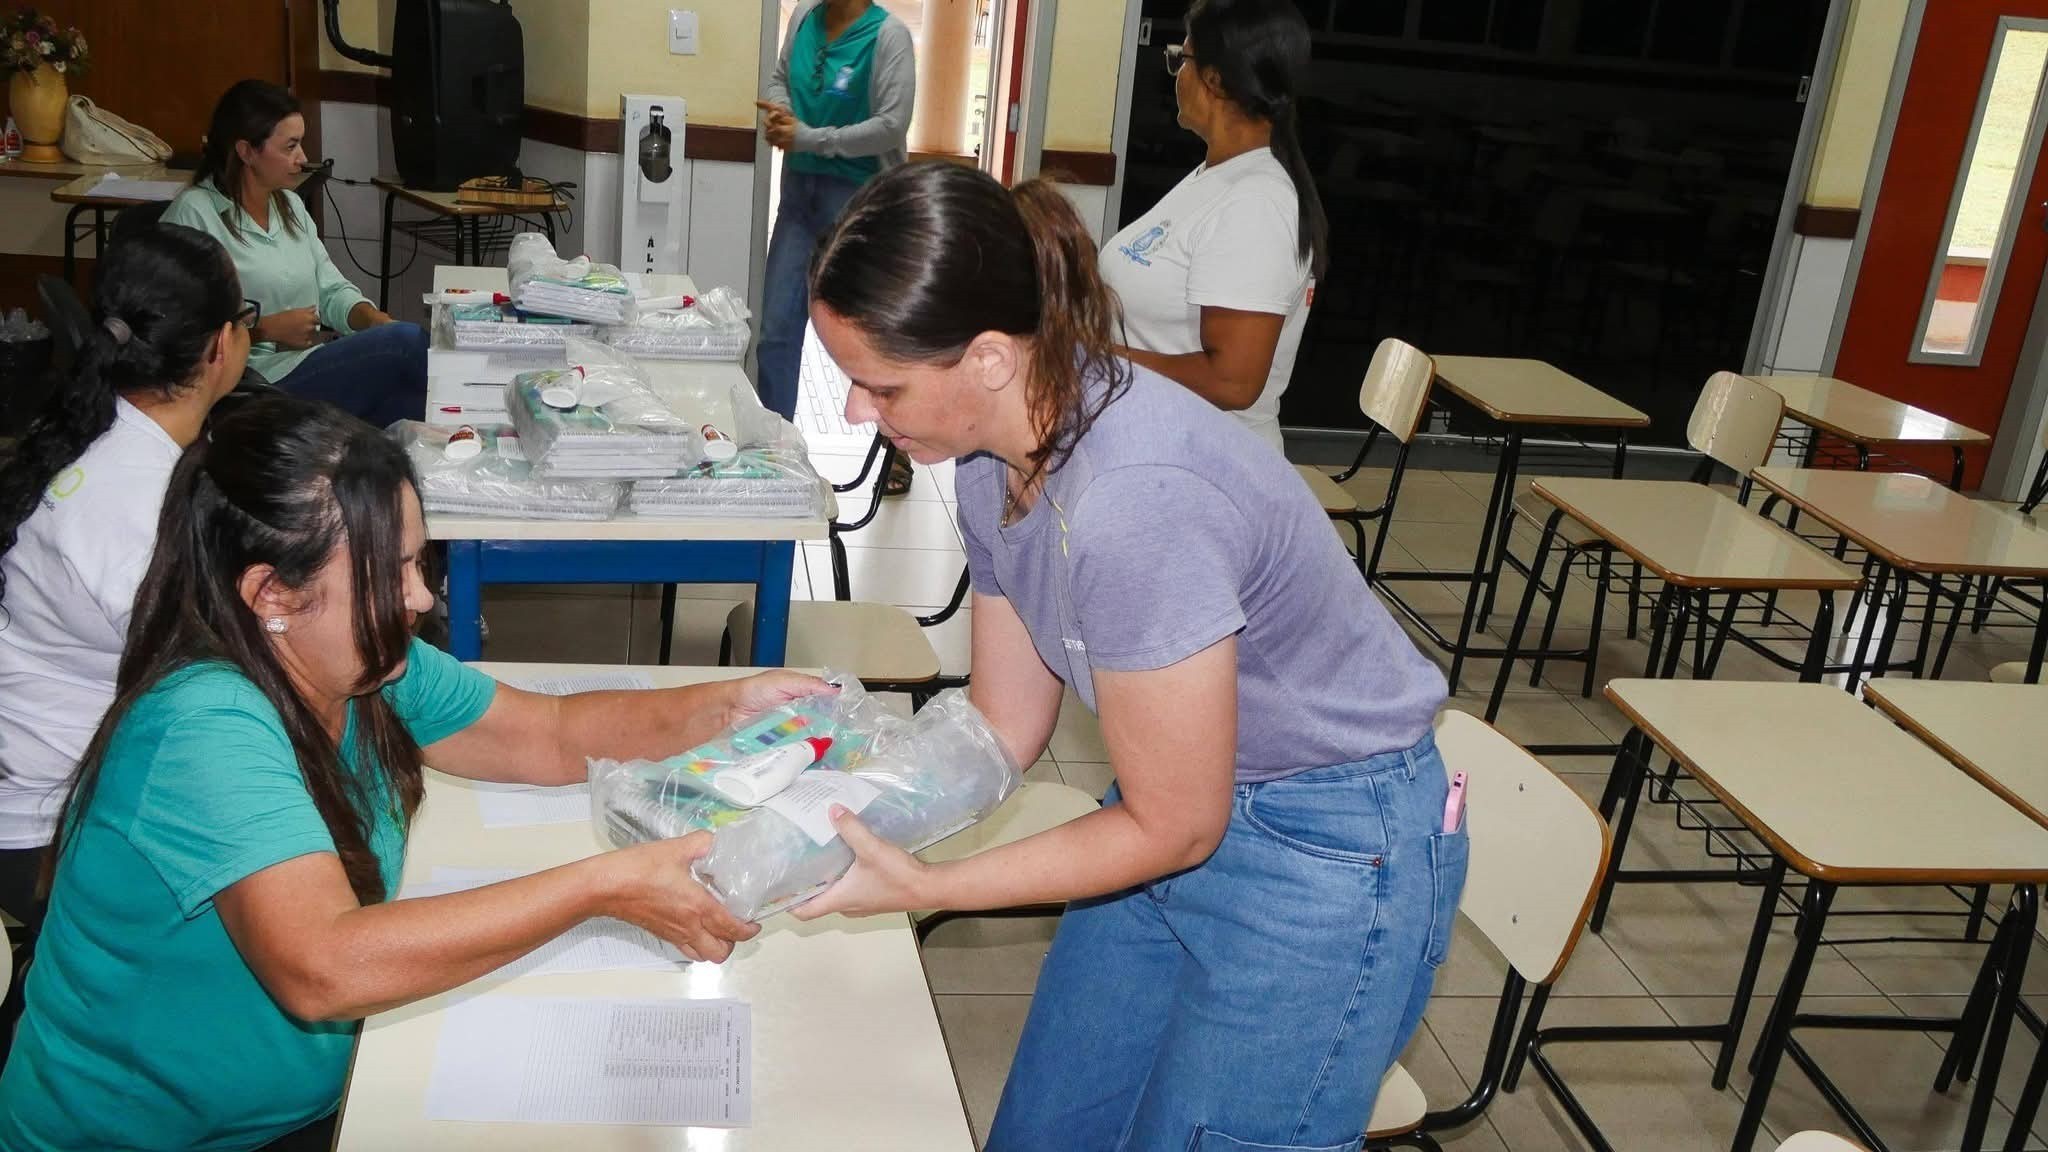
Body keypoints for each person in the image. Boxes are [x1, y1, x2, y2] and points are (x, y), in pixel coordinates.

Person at [794, 161, 1459, 1151]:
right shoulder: (987, 458)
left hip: (1326, 847)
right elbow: (1005, 726)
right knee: (1051, 1130)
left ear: (988, 357)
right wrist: (826, 800)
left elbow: (1175, 826)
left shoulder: (1135, 502)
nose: (856, 411)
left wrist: (928, 887)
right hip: (1176, 805)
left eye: (879, 384)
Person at [0, 392, 827, 1151]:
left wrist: (729, 705)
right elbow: (323, 966)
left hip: (292, 1111)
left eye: (415, 562)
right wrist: (600, 888)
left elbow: (546, 733)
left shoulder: (362, 665)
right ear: (272, 595)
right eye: (388, 572)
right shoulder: (203, 726)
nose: (421, 597)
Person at [0, 224, 252, 937]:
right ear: (220, 345)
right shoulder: (142, 504)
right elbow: (226, 690)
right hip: (54, 838)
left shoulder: (87, 429)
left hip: (37, 785)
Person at [1100, 0, 1327, 456]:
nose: (1176, 75)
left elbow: (1232, 382)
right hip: (1154, 443)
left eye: (1180, 59)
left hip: (1206, 461)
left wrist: (1094, 359)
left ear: (1215, 79)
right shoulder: (1217, 176)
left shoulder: (1257, 204)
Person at [163, 79, 427, 429]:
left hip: (305, 364)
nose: (302, 159)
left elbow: (331, 289)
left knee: (407, 400)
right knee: (406, 342)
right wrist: (263, 331)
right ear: (246, 151)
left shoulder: (289, 205)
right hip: (249, 385)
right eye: (290, 147)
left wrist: (372, 320)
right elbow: (174, 336)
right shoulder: (194, 213)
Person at [757, 0, 916, 493]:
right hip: (799, 203)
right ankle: (776, 453)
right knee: (776, 333)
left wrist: (810, 138)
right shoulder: (805, 17)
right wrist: (782, 111)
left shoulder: (888, 36)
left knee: (877, 338)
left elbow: (891, 125)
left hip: (862, 211)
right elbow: (780, 77)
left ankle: (899, 446)